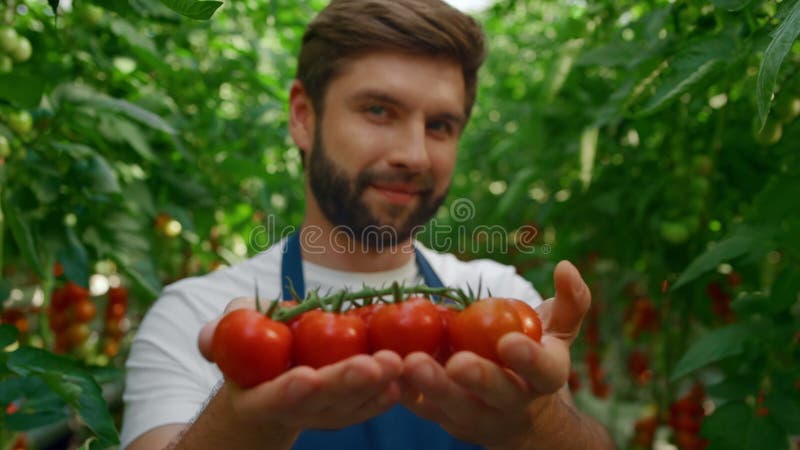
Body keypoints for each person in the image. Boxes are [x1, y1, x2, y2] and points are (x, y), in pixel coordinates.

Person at [120, 0, 616, 449]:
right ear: (303, 117)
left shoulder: (503, 302)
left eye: (440, 126)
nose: (414, 155)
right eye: (379, 110)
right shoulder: (196, 317)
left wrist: (535, 425)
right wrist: (246, 425)